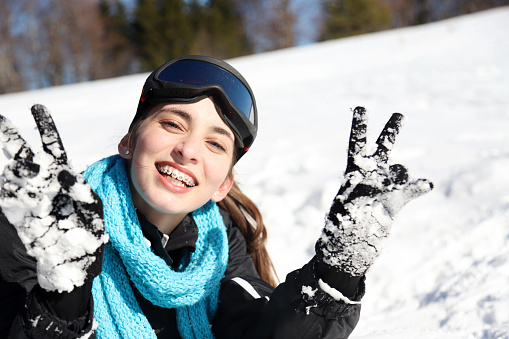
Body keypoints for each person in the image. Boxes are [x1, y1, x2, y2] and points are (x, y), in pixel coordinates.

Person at [0, 55, 433, 339]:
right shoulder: (43, 233)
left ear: (223, 183)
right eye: (173, 123)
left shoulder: (219, 251)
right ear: (129, 141)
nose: (188, 150)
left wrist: (336, 273)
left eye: (215, 143)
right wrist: (63, 296)